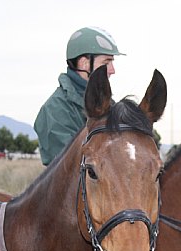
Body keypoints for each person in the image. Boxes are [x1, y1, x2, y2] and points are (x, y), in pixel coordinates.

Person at [34, 26, 123, 165]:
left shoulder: (110, 106)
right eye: (106, 62)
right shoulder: (55, 110)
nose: (112, 70)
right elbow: (71, 168)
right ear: (84, 63)